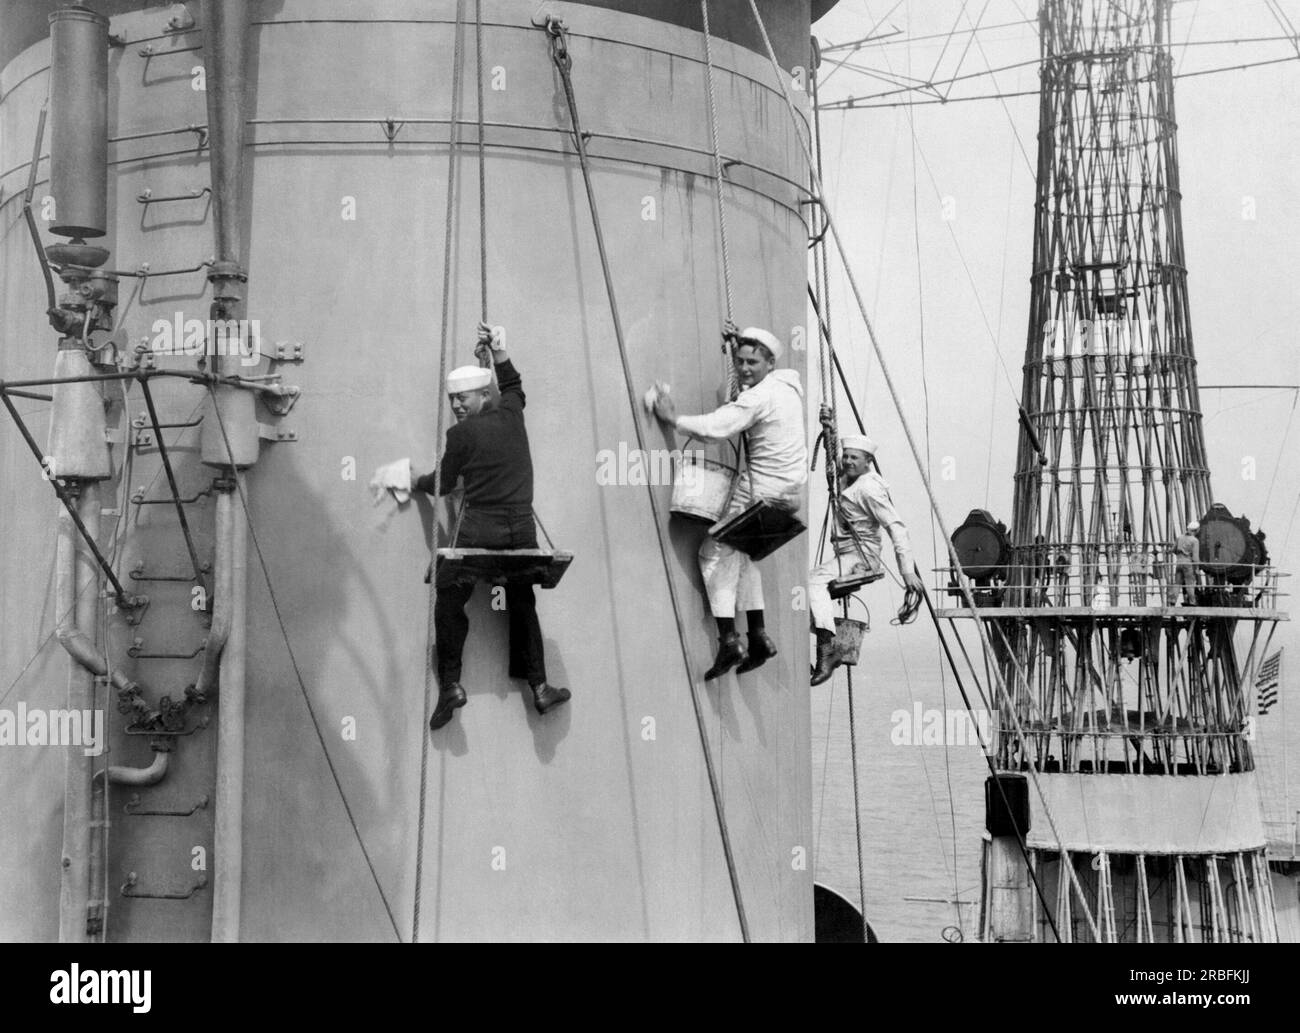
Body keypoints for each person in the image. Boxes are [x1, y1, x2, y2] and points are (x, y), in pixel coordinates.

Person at [410, 323, 570, 730]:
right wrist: (499, 353)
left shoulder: (460, 435)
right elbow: (515, 386)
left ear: (484, 395)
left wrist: (417, 482)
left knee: (450, 598)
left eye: (462, 398)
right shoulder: (512, 414)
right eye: (452, 400)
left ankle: (451, 685)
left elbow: (445, 484)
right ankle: (539, 686)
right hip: (521, 532)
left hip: (479, 530)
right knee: (520, 601)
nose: (457, 406)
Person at [651, 323, 807, 679]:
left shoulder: (758, 397)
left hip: (759, 494)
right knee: (745, 557)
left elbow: (718, 427)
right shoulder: (787, 389)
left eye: (752, 362)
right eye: (739, 361)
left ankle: (728, 641)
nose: (744, 369)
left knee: (713, 553)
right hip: (787, 497)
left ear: (769, 363)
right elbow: (742, 399)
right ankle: (759, 635)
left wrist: (673, 419)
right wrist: (739, 344)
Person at [808, 432, 922, 686]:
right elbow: (837, 462)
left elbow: (897, 527)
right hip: (845, 554)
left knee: (812, 584)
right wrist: (828, 427)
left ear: (868, 460)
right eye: (845, 456)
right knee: (802, 593)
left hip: (860, 557)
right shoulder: (851, 476)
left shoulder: (868, 489)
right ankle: (831, 648)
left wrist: (907, 572)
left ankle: (826, 654)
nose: (847, 461)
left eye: (854, 457)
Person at [1170, 520, 1201, 606]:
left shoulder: (1180, 538)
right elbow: (1195, 557)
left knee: (1177, 583)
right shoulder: (1194, 540)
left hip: (1179, 562)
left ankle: (1172, 601)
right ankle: (1192, 602)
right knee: (1189, 583)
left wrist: (1180, 554)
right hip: (1188, 563)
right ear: (1196, 530)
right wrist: (1197, 568)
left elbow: (1173, 550)